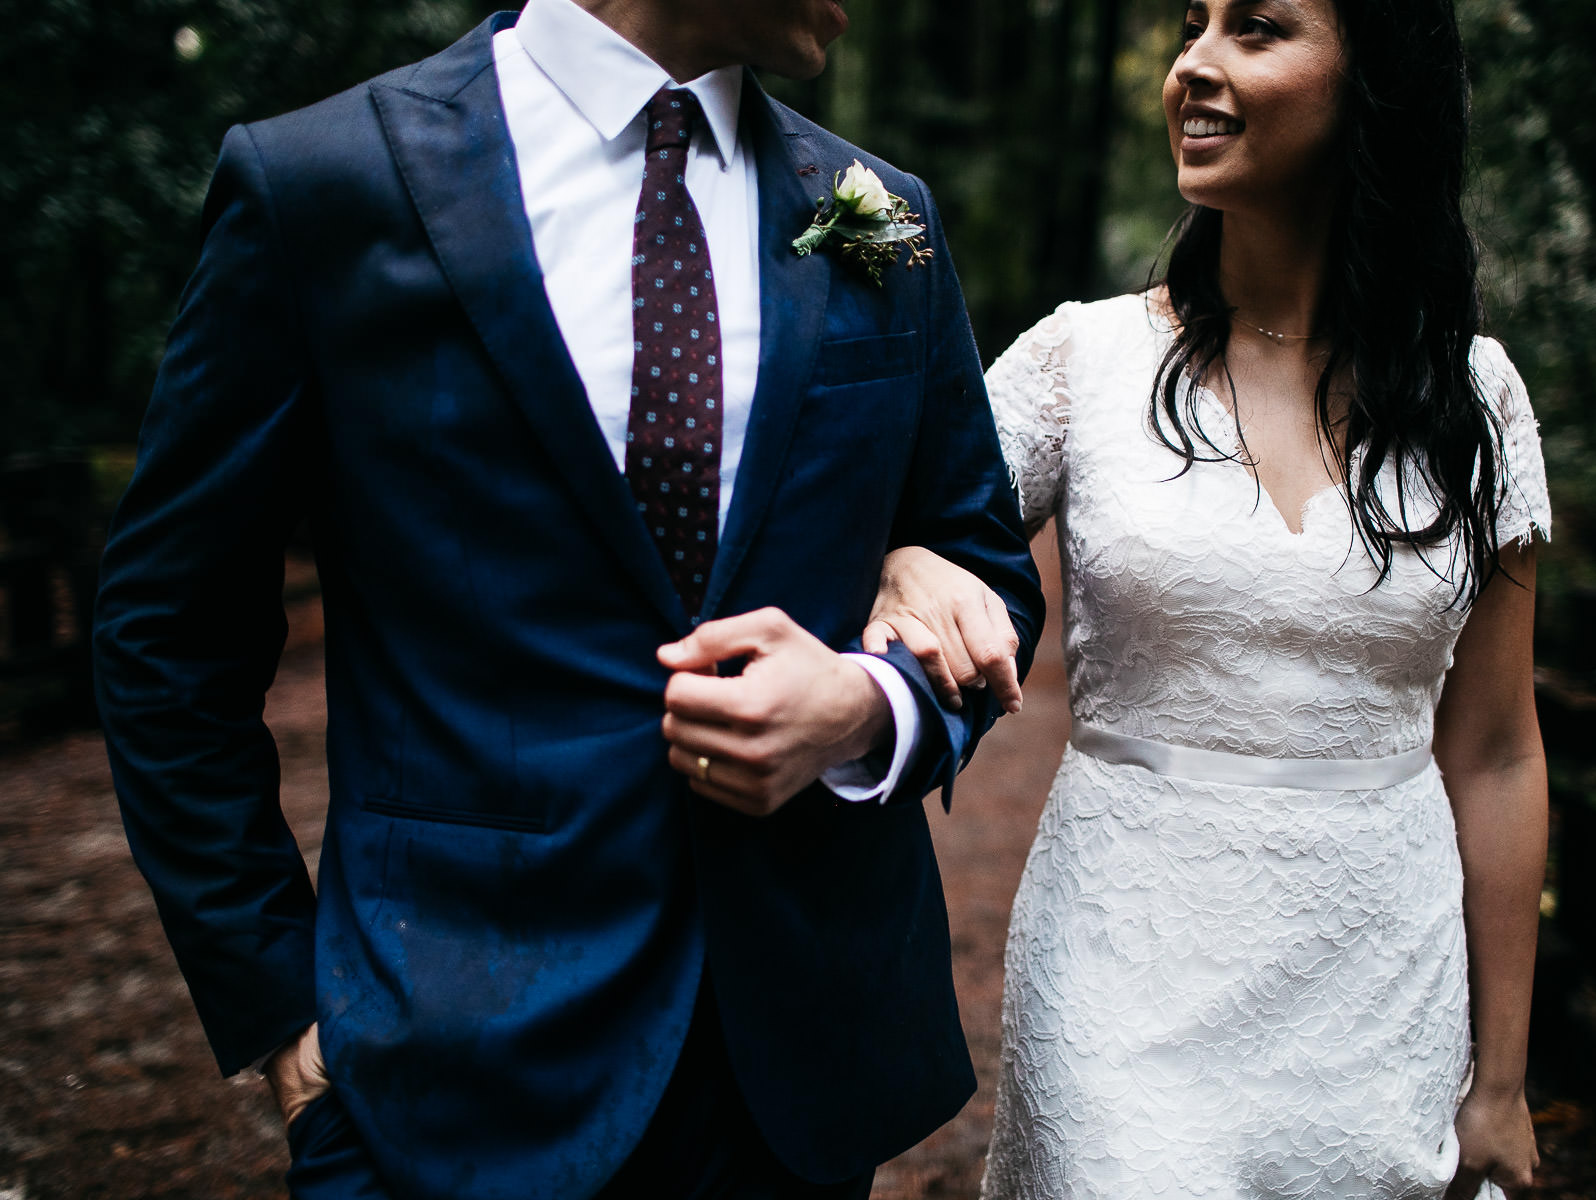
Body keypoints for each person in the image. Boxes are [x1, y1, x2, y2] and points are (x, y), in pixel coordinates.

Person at [91, 1, 1042, 1196]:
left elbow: (981, 559)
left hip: (793, 1081)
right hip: (439, 1076)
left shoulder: (877, 211)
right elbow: (166, 635)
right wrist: (284, 1013)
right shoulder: (325, 183)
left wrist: (867, 709)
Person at [865, 0, 1547, 1196]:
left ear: (1373, 84)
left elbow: (1493, 753)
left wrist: (1499, 1083)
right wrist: (901, 558)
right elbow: (904, 525)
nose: (1196, 65)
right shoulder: (1083, 362)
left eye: (1258, 29)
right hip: (1125, 969)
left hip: (1383, 991)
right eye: (1193, 24)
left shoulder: (1474, 398)